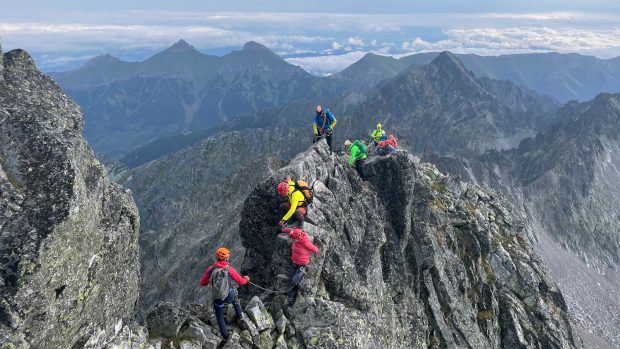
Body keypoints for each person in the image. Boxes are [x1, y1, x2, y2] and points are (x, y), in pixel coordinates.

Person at [199, 247, 250, 341]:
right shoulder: (230, 270)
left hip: (218, 298)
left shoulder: (211, 269)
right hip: (229, 295)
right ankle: (240, 316)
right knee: (235, 297)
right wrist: (247, 278)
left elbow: (203, 282)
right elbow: (242, 282)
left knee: (219, 316)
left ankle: (226, 336)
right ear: (226, 258)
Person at [281, 227, 319, 305]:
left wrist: (314, 247)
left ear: (299, 238)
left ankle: (293, 298)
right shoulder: (294, 235)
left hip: (302, 265)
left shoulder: (305, 242)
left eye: (294, 239)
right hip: (295, 263)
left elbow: (315, 249)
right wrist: (283, 229)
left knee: (295, 281)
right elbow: (290, 231)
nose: (293, 240)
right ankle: (290, 297)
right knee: (290, 280)